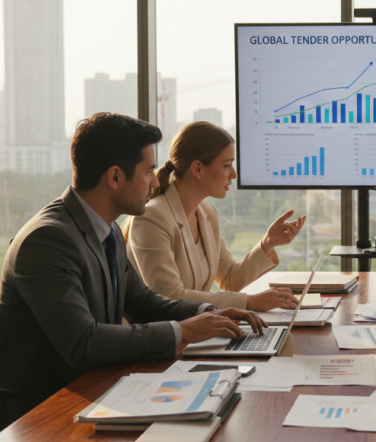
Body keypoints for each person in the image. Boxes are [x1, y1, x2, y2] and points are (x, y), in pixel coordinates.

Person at [0, 113, 266, 442]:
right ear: (115, 177)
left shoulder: (105, 229)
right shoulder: (48, 240)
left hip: (92, 390)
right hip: (35, 418)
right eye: (149, 171)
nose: (155, 183)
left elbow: (143, 303)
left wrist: (210, 313)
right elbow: (83, 341)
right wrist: (184, 331)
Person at [126, 121, 305, 311]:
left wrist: (268, 242)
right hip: (161, 336)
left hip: (193, 330)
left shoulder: (206, 212)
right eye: (227, 165)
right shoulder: (152, 218)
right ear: (197, 169)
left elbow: (229, 279)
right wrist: (249, 302)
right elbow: (169, 297)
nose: (234, 174)